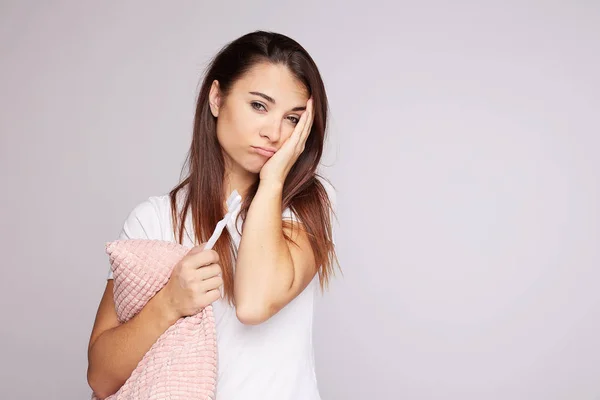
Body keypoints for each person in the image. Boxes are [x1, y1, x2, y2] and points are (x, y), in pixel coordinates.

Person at [86, 30, 339, 399]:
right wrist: (170, 302)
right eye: (259, 106)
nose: (274, 132)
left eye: (293, 119)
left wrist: (271, 183)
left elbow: (253, 304)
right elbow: (100, 377)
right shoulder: (155, 219)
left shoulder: (308, 204)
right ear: (217, 98)